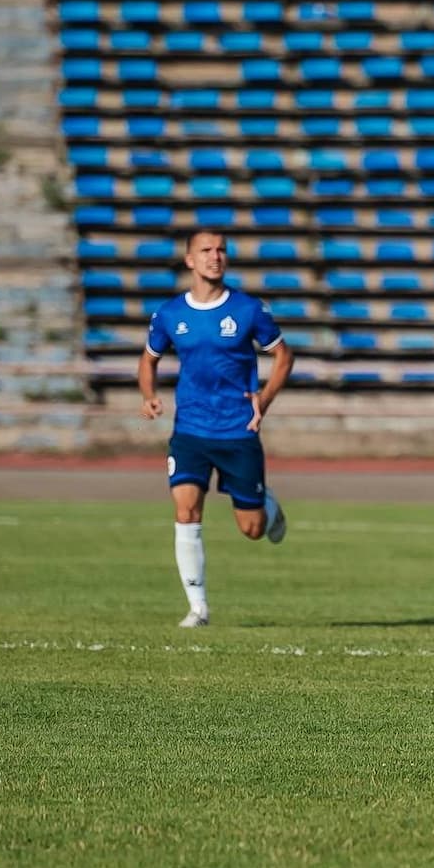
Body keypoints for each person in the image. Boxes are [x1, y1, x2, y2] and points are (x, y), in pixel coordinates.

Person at [138, 230, 292, 627]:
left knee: (252, 529)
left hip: (237, 430)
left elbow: (283, 356)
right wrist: (148, 394)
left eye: (221, 249)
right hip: (189, 429)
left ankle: (267, 506)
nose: (215, 256)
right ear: (190, 260)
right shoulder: (170, 314)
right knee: (186, 511)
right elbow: (149, 359)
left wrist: (264, 399)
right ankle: (198, 607)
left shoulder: (248, 310)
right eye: (206, 250)